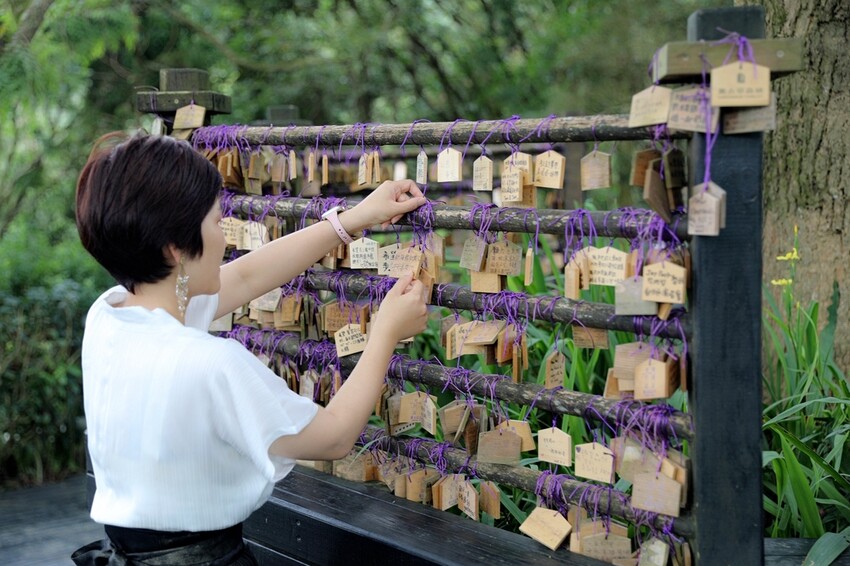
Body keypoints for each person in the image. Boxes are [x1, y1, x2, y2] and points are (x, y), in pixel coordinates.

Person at [71, 132, 429, 565]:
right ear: (177, 249)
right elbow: (334, 437)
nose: (224, 238)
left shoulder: (109, 317)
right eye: (216, 223)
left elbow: (242, 278)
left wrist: (351, 219)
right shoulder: (210, 364)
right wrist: (386, 331)